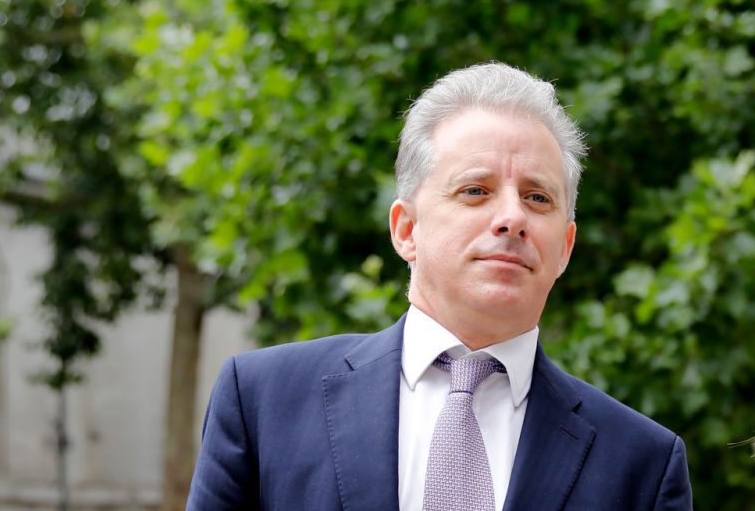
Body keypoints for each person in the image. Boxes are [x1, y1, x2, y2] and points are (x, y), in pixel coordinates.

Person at [186, 62, 693, 510]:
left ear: (565, 247)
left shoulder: (642, 464)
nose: (513, 218)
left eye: (538, 198)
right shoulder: (263, 402)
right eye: (476, 190)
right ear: (406, 229)